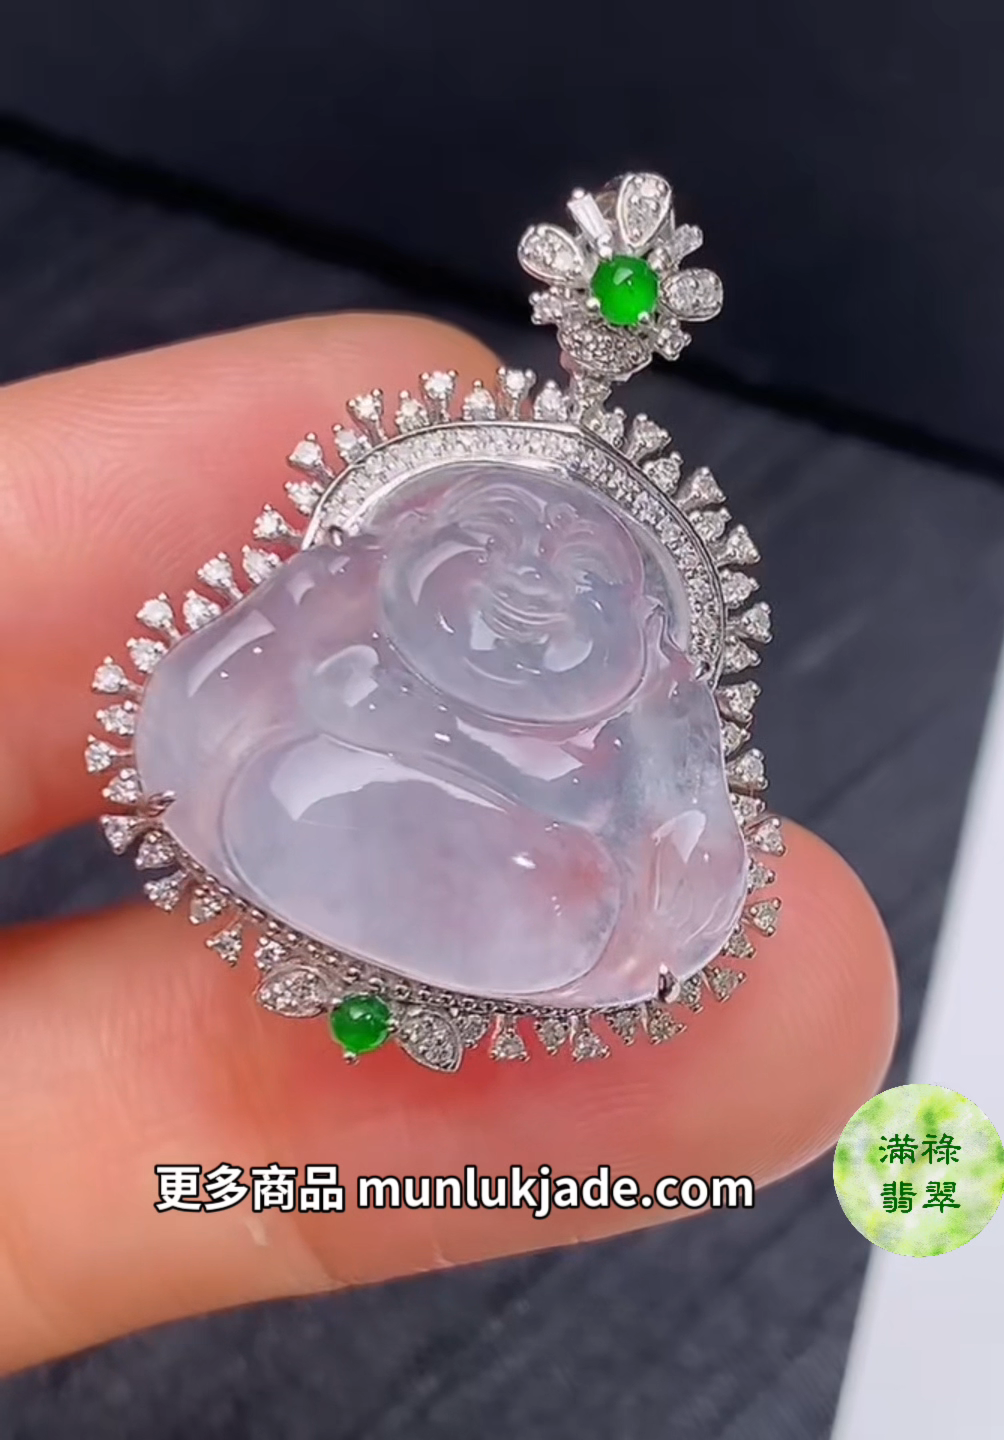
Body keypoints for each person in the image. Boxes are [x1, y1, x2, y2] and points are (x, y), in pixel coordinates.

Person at [0, 312, 897, 1374]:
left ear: (654, 647)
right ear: (393, 544)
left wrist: (674, 847)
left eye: (589, 582)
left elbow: (688, 856)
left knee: (559, 884)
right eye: (490, 535)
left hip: (531, 898)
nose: (529, 583)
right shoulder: (338, 623)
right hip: (293, 813)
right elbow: (203, 694)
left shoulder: (631, 731)